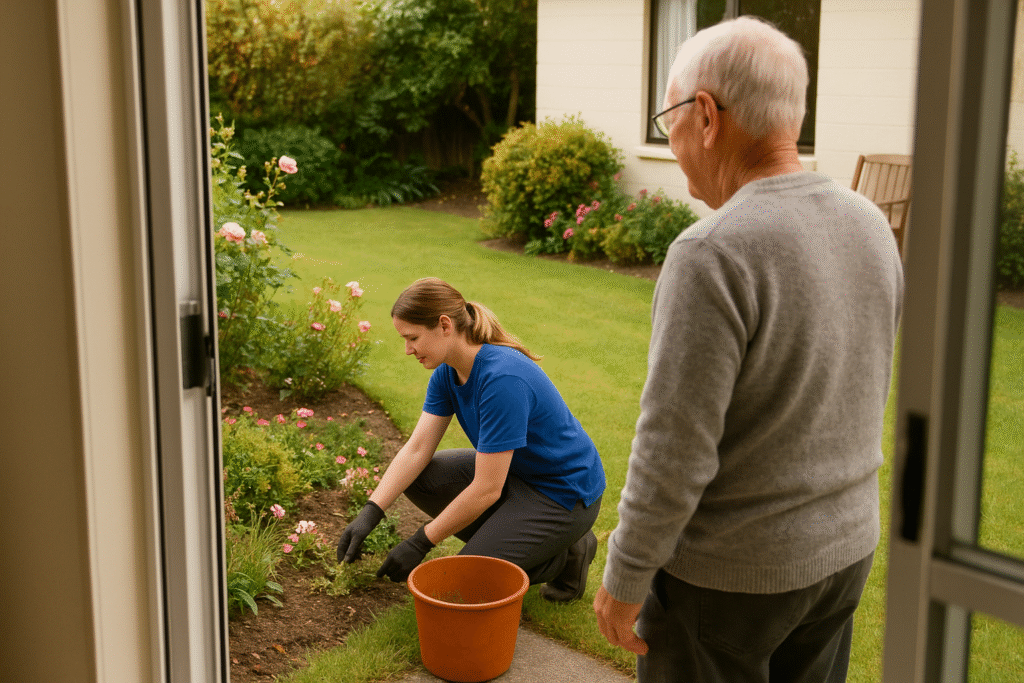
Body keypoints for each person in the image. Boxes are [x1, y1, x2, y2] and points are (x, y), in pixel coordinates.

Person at [593, 17, 904, 683]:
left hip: (731, 581)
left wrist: (625, 574)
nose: (672, 143)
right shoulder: (870, 222)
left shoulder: (712, 251)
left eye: (670, 117)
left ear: (706, 114)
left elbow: (673, 446)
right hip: (844, 552)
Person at [337, 277, 605, 602]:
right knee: (422, 479)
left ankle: (565, 553)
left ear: (444, 325)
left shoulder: (501, 379)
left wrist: (421, 541)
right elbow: (417, 449)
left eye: (413, 338)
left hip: (563, 493)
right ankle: (539, 540)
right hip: (517, 474)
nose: (407, 350)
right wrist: (371, 511)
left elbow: (486, 489)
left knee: (470, 579)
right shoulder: (448, 373)